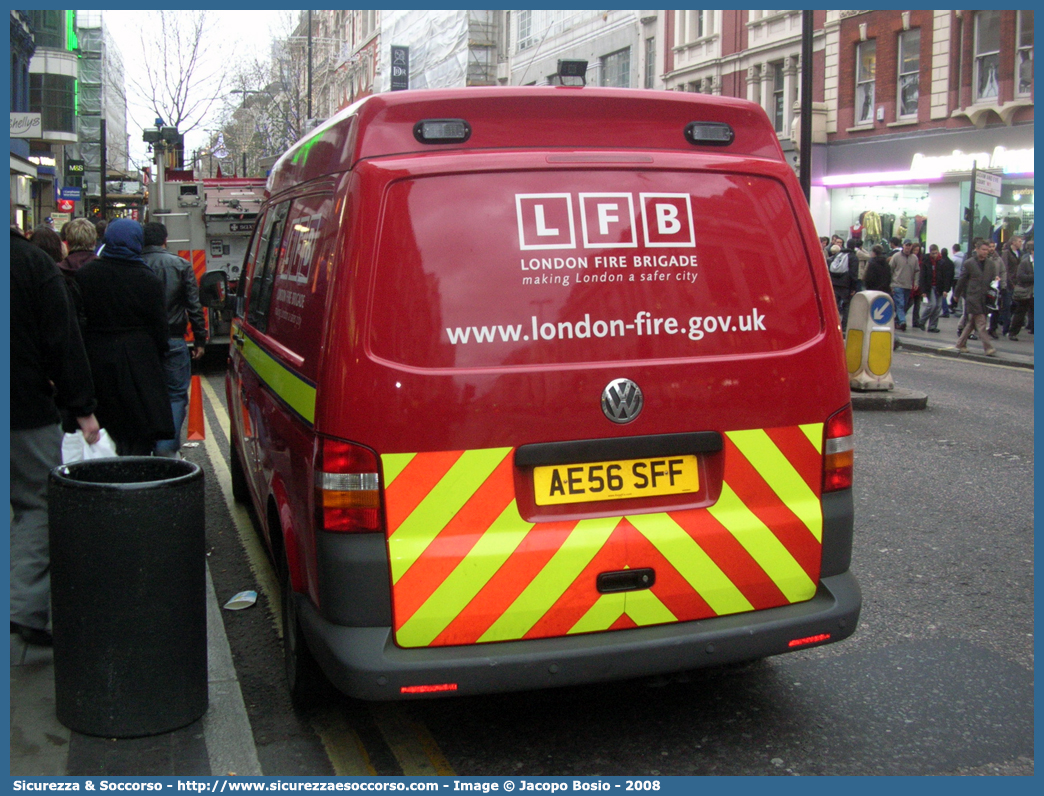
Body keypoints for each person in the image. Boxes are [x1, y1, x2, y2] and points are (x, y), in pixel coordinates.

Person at [11, 224, 100, 646]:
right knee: (35, 502)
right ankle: (23, 606)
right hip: (23, 408)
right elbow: (63, 341)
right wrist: (82, 408)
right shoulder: (31, 265)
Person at [75, 219, 175, 455]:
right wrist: (159, 354)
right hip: (140, 361)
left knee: (109, 426)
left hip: (98, 358)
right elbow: (160, 327)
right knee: (140, 428)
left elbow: (78, 320)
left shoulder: (86, 275)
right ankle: (138, 476)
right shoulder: (147, 279)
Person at [141, 222, 209, 458]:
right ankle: (166, 448)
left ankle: (143, 445)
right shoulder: (180, 265)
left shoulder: (135, 264)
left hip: (141, 342)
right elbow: (194, 305)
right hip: (173, 339)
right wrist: (200, 339)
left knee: (143, 392)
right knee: (176, 395)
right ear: (165, 240)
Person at [954, 239, 1000, 356]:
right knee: (981, 323)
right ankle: (988, 348)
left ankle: (960, 343)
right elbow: (962, 280)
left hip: (985, 298)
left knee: (972, 323)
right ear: (977, 249)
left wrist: (996, 280)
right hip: (972, 297)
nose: (986, 252)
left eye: (987, 250)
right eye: (983, 249)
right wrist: (956, 294)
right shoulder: (969, 263)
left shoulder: (990, 264)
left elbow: (992, 279)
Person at [918, 244, 953, 333]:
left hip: (939, 286)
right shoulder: (926, 262)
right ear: (930, 253)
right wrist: (923, 290)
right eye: (933, 253)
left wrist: (946, 289)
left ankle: (932, 326)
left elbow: (946, 277)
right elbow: (922, 277)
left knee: (938, 307)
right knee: (932, 304)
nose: (934, 255)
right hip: (930, 286)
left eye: (936, 253)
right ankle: (922, 321)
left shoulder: (942, 262)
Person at [993, 235, 1023, 337]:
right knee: (1007, 305)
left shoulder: (1020, 253)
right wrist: (1009, 283)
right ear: (1013, 242)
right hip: (1009, 283)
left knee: (1016, 305)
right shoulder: (1006, 253)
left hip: (1018, 283)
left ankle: (1004, 322)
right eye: (1019, 241)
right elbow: (1004, 268)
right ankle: (1005, 328)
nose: (1021, 243)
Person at [829, 238, 859, 332]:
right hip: (846, 285)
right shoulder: (853, 257)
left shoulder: (839, 254)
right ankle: (844, 326)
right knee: (846, 305)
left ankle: (832, 323)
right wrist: (853, 287)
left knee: (834, 305)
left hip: (835, 283)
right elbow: (853, 273)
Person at [889, 239, 918, 331]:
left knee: (904, 305)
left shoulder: (914, 258)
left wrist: (916, 282)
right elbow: (890, 269)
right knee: (900, 304)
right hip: (897, 284)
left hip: (908, 285)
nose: (908, 247)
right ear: (903, 246)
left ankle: (897, 322)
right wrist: (890, 283)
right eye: (906, 245)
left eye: (909, 246)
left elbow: (917, 271)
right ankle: (902, 321)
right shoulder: (896, 256)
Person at [1008, 241, 1033, 341]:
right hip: (1026, 292)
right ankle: (1013, 333)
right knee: (1020, 313)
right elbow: (1020, 276)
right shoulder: (1025, 262)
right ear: (1032, 251)